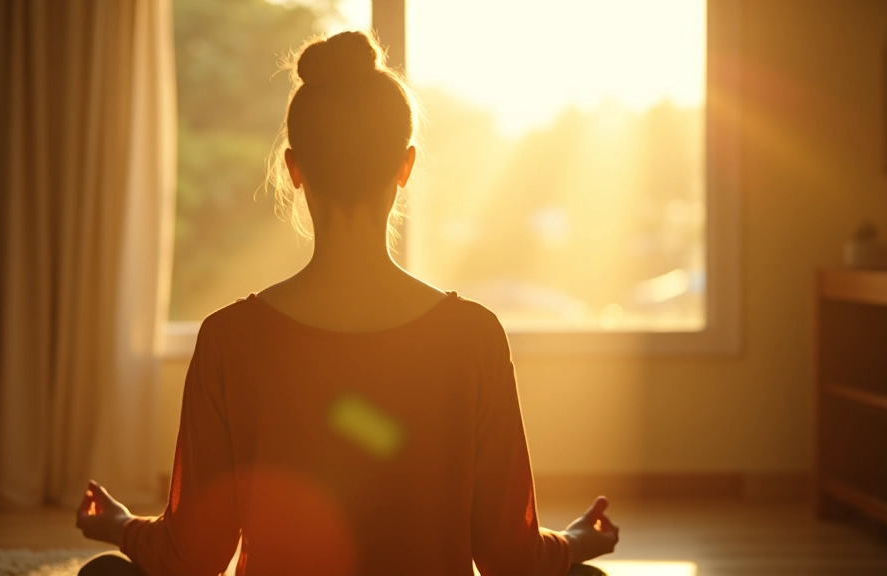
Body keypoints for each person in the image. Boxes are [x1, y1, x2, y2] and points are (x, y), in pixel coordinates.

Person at [76, 30, 619, 576]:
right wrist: (571, 544)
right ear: (405, 167)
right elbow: (510, 558)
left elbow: (193, 557)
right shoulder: (475, 335)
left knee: (103, 574)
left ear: (294, 168)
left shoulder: (229, 338)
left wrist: (120, 526)